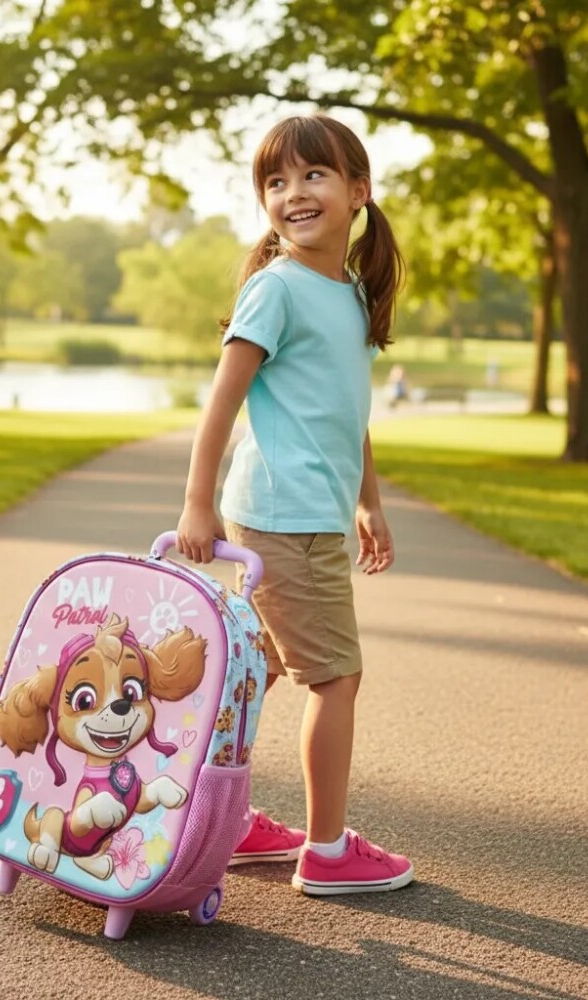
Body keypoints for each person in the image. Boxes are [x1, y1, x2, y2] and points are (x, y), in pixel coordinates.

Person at [176, 114, 414, 896]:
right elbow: (221, 405)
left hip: (314, 513)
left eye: (312, 176)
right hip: (282, 516)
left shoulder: (345, 288)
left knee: (258, 671)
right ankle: (327, 851)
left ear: (358, 192)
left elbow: (347, 412)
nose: (293, 193)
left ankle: (216, 815)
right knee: (335, 679)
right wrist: (196, 503)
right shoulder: (276, 288)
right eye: (275, 182)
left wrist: (367, 502)